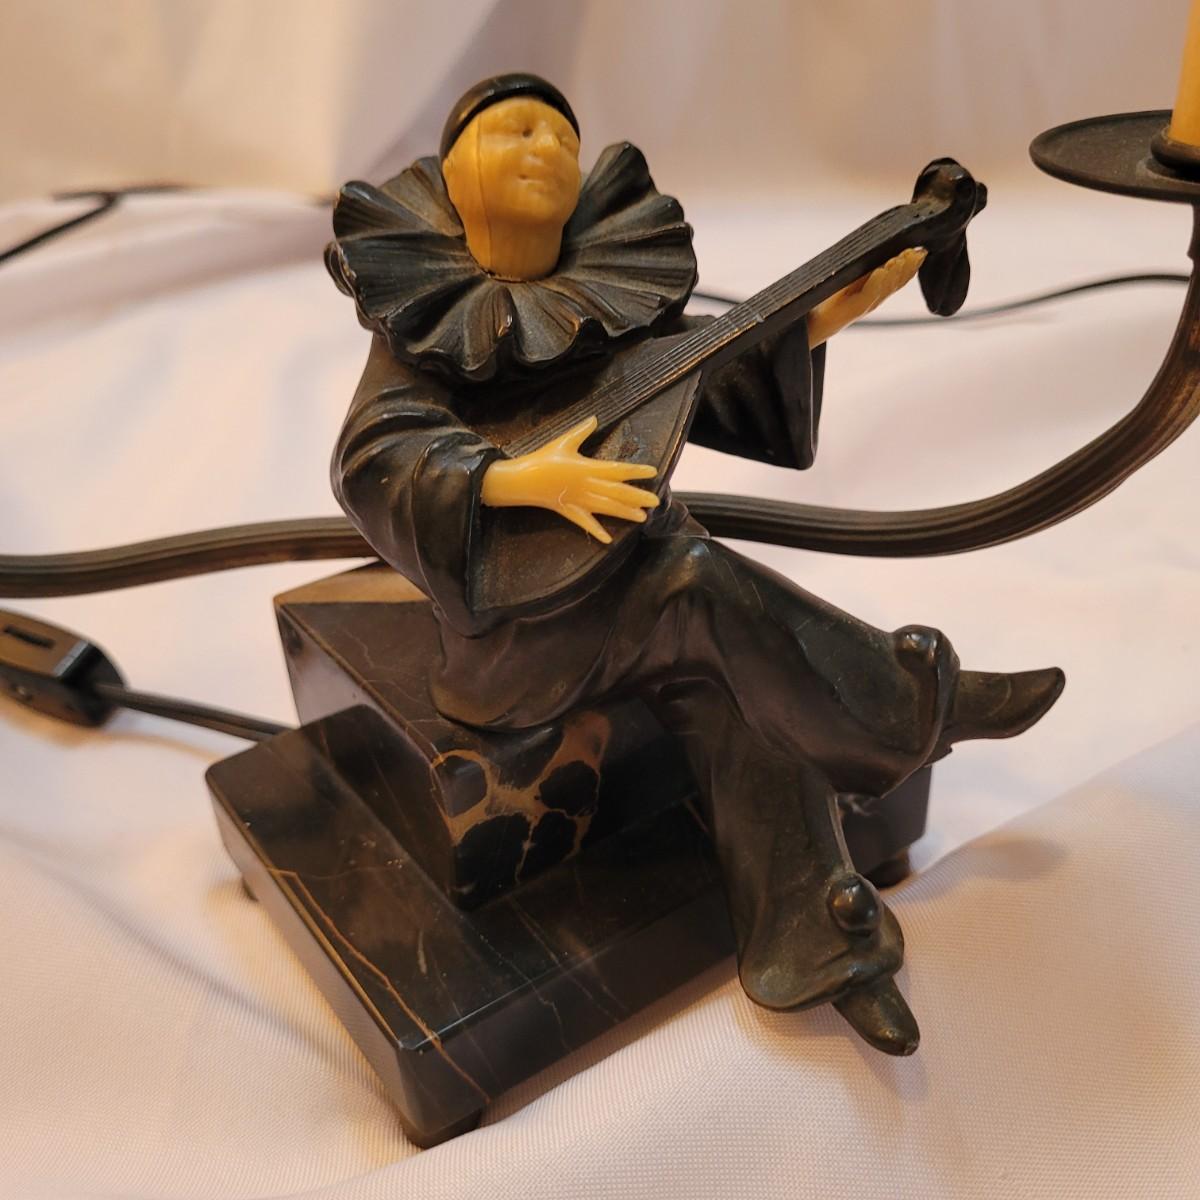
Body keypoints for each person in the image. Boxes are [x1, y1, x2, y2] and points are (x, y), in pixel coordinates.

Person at [325, 73, 1063, 1055]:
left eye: (561, 136)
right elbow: (372, 458)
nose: (544, 147)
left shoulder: (602, 300)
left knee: (744, 693)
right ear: (453, 179)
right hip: (518, 644)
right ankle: (910, 704)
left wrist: (843, 299)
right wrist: (514, 480)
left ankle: (819, 945)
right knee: (698, 581)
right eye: (514, 132)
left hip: (630, 588)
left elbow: (703, 374)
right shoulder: (424, 312)